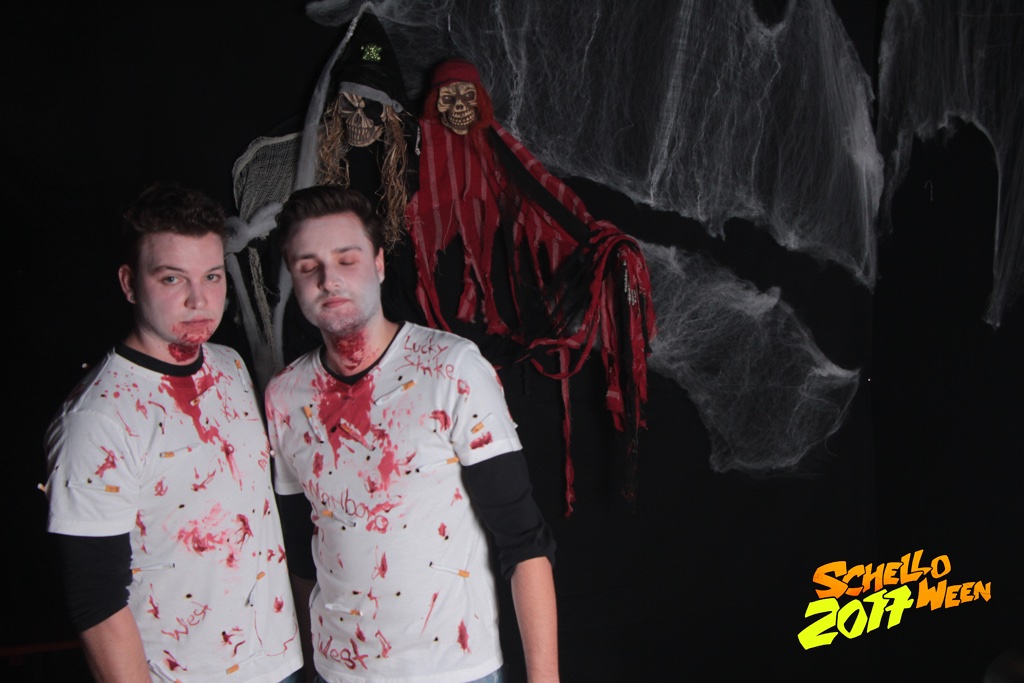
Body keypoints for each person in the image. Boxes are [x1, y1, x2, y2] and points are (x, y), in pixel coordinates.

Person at [266, 185, 559, 683]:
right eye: (308, 266)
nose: (329, 280)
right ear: (293, 279)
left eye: (346, 259)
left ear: (379, 263)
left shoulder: (451, 368)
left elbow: (524, 540)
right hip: (339, 672)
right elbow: (300, 548)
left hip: (455, 671)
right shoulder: (284, 395)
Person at [44, 183, 303, 683]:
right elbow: (96, 604)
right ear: (129, 283)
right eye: (171, 278)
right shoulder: (97, 418)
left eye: (211, 276)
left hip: (280, 663)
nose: (198, 299)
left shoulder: (229, 365)